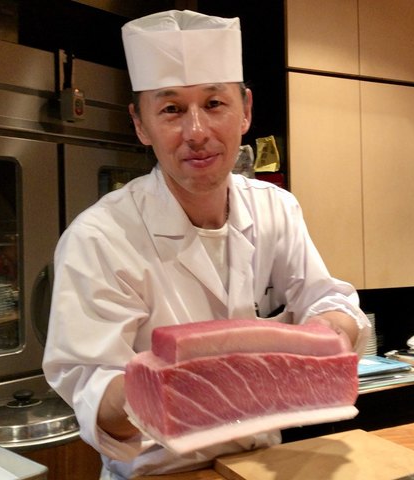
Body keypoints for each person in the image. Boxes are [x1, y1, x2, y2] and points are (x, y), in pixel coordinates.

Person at [43, 9, 371, 480]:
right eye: (171, 110)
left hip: (261, 465)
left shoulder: (276, 208)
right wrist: (168, 384)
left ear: (246, 110)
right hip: (160, 473)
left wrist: (329, 333)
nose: (197, 132)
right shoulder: (99, 238)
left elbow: (328, 299)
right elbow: (93, 394)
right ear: (140, 124)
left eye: (214, 103)